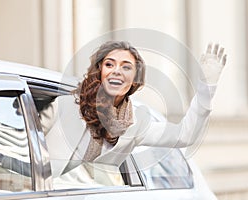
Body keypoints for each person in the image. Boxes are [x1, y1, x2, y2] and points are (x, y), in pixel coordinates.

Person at [69, 40, 227, 167]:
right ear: (99, 71)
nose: (117, 71)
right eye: (109, 64)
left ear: (134, 80)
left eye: (126, 67)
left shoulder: (136, 124)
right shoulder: (67, 105)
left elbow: (185, 135)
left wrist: (206, 88)